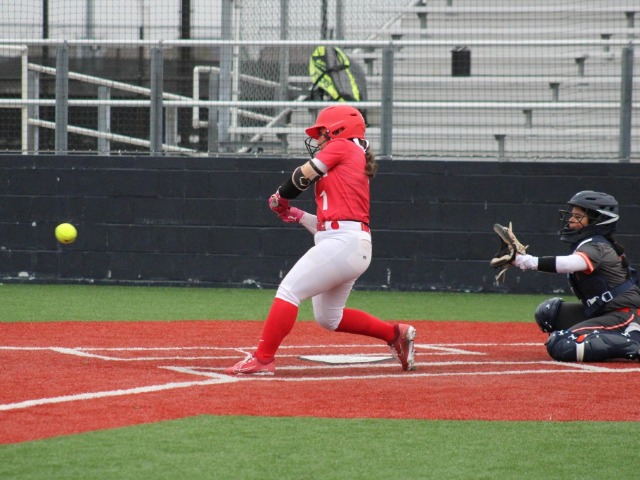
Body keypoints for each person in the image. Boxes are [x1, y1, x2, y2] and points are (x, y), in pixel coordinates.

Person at [226, 105, 416, 375]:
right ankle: (395, 334)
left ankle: (263, 358)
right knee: (329, 317)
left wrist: (281, 197)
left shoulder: (344, 146)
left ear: (338, 130)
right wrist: (298, 214)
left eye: (322, 133)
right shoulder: (350, 155)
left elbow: (302, 176)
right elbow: (331, 225)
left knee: (289, 291)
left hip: (345, 243)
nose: (318, 140)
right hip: (346, 242)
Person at [513, 190, 640, 362]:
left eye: (578, 216)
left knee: (561, 344)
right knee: (549, 312)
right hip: (604, 311)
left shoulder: (597, 246)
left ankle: (633, 341)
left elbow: (569, 264)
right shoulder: (591, 243)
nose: (571, 219)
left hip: (624, 314)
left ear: (597, 220)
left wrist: (525, 261)